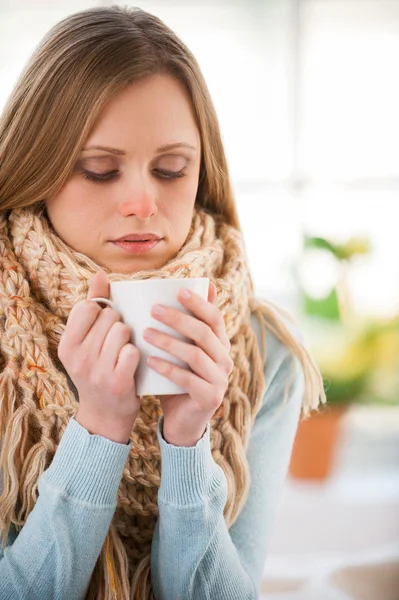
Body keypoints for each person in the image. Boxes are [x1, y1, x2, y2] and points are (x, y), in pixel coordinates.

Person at [0, 6, 325, 600]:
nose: (143, 203)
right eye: (100, 170)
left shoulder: (263, 355)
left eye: (171, 169)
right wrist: (99, 427)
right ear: (37, 168)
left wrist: (187, 441)